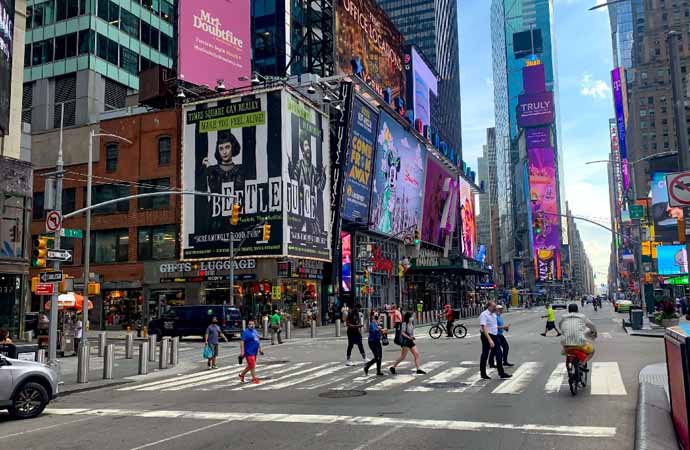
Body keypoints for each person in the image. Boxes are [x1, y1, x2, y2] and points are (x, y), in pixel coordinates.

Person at [479, 301, 511, 380]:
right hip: (486, 336)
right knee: (485, 354)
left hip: (495, 335)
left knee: (499, 354)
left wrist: (504, 328)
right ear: (489, 306)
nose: (495, 308)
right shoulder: (484, 314)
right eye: (494, 307)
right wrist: (490, 340)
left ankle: (501, 373)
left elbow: (494, 326)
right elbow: (484, 328)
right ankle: (483, 373)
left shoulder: (494, 315)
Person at [239, 319, 264, 384]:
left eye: (252, 324)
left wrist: (260, 349)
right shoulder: (246, 332)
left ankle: (242, 375)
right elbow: (242, 342)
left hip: (254, 352)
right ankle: (254, 378)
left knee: (251, 365)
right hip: (248, 352)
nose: (251, 325)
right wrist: (242, 351)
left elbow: (258, 341)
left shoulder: (255, 331)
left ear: (254, 325)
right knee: (252, 365)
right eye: (250, 324)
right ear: (248, 325)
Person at [364, 311, 386, 376]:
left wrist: (383, 331)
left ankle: (378, 371)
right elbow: (374, 331)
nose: (377, 316)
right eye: (375, 315)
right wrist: (379, 329)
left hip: (377, 341)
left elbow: (379, 332)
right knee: (377, 357)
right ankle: (367, 366)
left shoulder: (377, 323)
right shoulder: (372, 323)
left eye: (377, 315)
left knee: (380, 356)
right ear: (373, 316)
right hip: (372, 342)